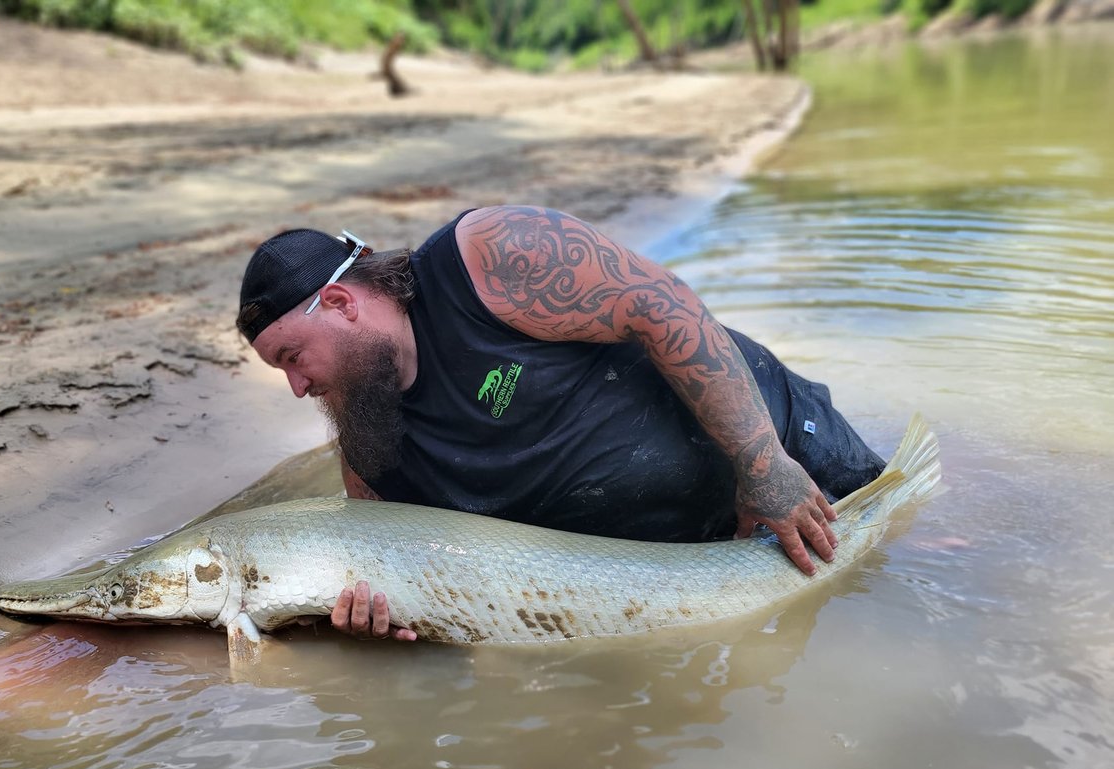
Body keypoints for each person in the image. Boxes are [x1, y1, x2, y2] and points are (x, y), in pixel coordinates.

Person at [235, 206, 884, 641]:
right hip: (664, 577)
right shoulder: (367, 438)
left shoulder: (482, 260)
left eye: (291, 358)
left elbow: (665, 308)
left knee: (915, 561)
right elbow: (401, 568)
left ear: (342, 302)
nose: (296, 387)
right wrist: (377, 623)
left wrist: (763, 466)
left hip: (787, 458)